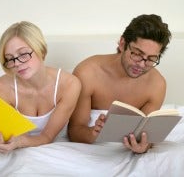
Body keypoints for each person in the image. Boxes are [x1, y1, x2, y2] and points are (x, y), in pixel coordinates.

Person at [68, 14, 172, 154]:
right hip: (91, 150)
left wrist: (143, 146)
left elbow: (146, 134)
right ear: (122, 44)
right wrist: (94, 132)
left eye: (151, 59)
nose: (141, 64)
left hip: (126, 152)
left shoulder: (157, 84)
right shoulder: (88, 72)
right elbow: (75, 130)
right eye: (136, 54)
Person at [0, 21, 81, 153]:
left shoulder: (70, 84)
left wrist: (19, 141)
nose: (17, 63)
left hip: (54, 149)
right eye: (10, 59)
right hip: (16, 150)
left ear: (41, 49)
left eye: (23, 54)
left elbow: (47, 137)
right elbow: (8, 134)